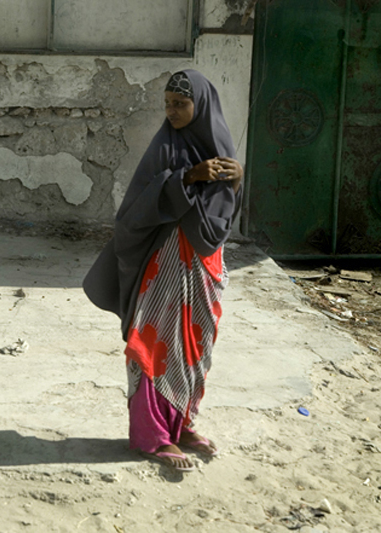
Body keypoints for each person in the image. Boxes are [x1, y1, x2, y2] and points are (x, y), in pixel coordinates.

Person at [83, 70, 243, 472]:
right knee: (155, 344)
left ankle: (183, 425)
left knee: (195, 347)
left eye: (180, 104)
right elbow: (133, 213)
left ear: (201, 106)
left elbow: (220, 217)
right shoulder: (164, 149)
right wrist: (188, 176)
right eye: (167, 104)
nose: (171, 111)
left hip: (205, 268)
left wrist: (236, 180)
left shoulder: (221, 146)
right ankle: (152, 437)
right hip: (165, 264)